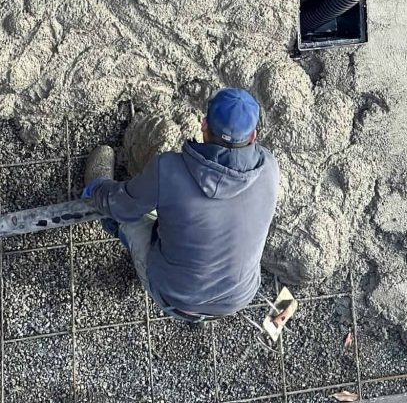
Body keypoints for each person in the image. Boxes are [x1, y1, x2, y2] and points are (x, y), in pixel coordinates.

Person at [82, 88, 279, 321]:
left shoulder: (168, 170)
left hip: (176, 298)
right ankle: (203, 312)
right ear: (253, 136)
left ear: (204, 125)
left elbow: (123, 205)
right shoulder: (268, 168)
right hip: (238, 297)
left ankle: (96, 192)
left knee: (128, 217)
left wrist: (98, 189)